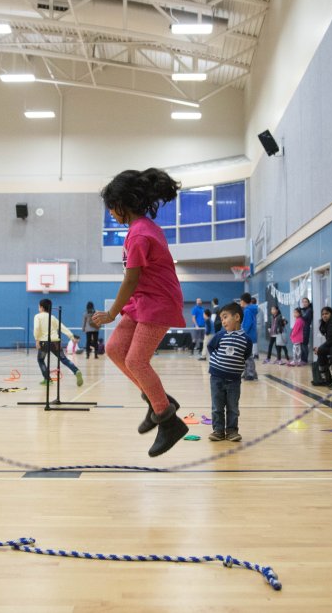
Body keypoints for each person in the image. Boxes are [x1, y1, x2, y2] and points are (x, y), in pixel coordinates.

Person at [91, 167, 189, 458]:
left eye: (111, 207)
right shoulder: (139, 229)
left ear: (124, 203)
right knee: (114, 349)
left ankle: (169, 422)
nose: (110, 212)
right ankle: (157, 400)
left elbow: (130, 279)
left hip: (158, 302)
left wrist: (110, 313)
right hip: (142, 300)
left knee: (136, 359)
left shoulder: (140, 235)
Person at [206, 302, 253, 442]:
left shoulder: (246, 340)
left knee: (233, 408)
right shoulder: (220, 335)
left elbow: (245, 355)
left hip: (234, 380)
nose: (223, 321)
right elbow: (210, 347)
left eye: (225, 317)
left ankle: (232, 431)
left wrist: (234, 366)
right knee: (217, 406)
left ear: (237, 317)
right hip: (216, 378)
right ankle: (218, 431)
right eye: (221, 318)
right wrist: (216, 361)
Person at [34, 298, 84, 387]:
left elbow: (37, 328)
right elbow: (62, 327)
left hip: (44, 343)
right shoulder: (52, 317)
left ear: (41, 307)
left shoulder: (38, 316)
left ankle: (47, 379)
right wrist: (71, 336)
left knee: (40, 360)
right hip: (55, 342)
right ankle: (76, 371)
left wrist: (37, 339)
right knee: (64, 359)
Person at [238, 293, 259, 380]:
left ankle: (250, 374)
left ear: (243, 301)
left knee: (248, 356)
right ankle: (249, 372)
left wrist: (241, 332)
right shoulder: (250, 310)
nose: (240, 303)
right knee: (245, 355)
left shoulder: (247, 310)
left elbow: (247, 324)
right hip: (250, 335)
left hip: (248, 336)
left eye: (240, 301)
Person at [298, 297, 314, 363]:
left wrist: (299, 314)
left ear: (308, 303)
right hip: (301, 329)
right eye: (303, 302)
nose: (304, 303)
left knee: (304, 345)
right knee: (301, 345)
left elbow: (304, 317)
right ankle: (302, 359)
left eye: (306, 302)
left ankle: (305, 360)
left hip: (306, 329)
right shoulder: (303, 310)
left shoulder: (309, 310)